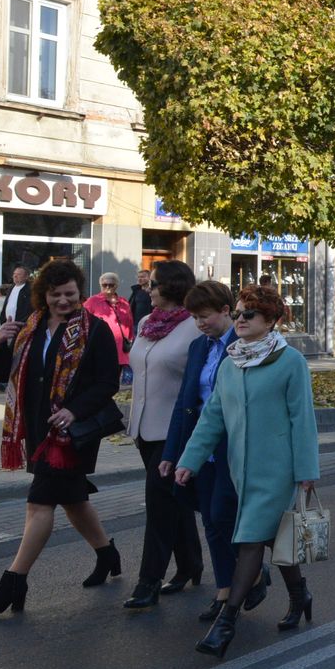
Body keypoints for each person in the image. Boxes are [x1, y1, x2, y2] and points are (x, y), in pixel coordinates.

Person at [175, 285, 321, 658]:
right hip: (240, 469)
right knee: (272, 536)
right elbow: (212, 418)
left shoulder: (290, 362)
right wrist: (190, 460)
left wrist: (307, 471)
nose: (240, 319)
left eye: (249, 314)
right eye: (238, 313)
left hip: (278, 470)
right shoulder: (231, 363)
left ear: (271, 320)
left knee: (250, 540)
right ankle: (299, 593)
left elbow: (302, 419)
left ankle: (226, 624)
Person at [0, 259, 122, 616]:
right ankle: (107, 555)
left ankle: (14, 581)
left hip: (70, 433)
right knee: (73, 501)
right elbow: (6, 375)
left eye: (70, 293)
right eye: (56, 294)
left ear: (79, 292)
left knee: (39, 504)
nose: (63, 300)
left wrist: (74, 410)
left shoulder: (95, 330)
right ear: (44, 294)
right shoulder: (32, 326)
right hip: (38, 427)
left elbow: (108, 383)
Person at [122, 260, 206, 609]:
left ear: (172, 286)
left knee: (158, 504)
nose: (148, 289)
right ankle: (190, 564)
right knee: (175, 501)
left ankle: (149, 581)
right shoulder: (146, 323)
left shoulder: (194, 327)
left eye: (153, 283)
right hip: (144, 427)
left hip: (176, 432)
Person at [161, 281, 245, 625]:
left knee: (227, 517)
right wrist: (173, 452)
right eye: (194, 317)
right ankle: (225, 588)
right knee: (210, 520)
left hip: (235, 447)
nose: (199, 323)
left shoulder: (243, 344)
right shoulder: (199, 347)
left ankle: (258, 573)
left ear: (225, 310)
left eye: (204, 316)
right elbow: (185, 401)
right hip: (203, 448)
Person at [86, 271, 135, 383]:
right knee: (102, 380)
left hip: (120, 349)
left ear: (116, 286)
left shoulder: (123, 302)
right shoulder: (92, 301)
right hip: (101, 348)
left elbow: (130, 322)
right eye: (105, 285)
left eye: (111, 285)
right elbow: (84, 321)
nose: (107, 287)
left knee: (115, 381)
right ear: (100, 285)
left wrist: (130, 339)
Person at [0, 263, 31, 392]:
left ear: (26, 276)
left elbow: (28, 308)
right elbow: (7, 305)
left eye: (19, 274)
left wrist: (21, 323)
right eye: (14, 274)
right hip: (6, 326)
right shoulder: (12, 288)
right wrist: (3, 321)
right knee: (1, 351)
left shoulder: (29, 290)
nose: (15, 277)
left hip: (19, 327)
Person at [130, 268, 153, 332]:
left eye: (143, 277)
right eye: (139, 277)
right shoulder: (136, 291)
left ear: (149, 278)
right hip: (136, 324)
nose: (140, 279)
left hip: (149, 323)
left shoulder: (153, 291)